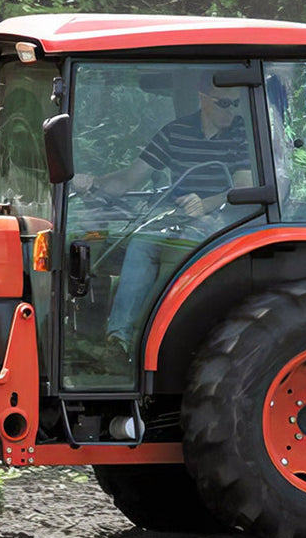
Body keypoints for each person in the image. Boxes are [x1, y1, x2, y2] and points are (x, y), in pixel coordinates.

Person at [72, 73, 255, 352]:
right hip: (178, 219)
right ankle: (118, 340)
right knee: (140, 243)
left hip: (224, 223)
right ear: (203, 98)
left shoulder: (241, 134)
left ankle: (156, 341)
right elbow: (128, 180)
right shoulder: (176, 132)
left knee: (177, 254)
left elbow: (245, 187)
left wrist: (205, 204)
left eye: (236, 104)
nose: (232, 110)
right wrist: (90, 182)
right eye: (224, 103)